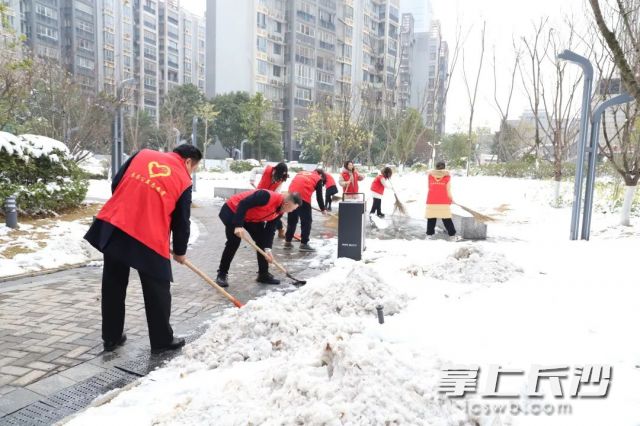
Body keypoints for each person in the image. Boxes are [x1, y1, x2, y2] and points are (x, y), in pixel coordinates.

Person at [84, 145, 202, 354]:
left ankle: (111, 338)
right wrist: (180, 251)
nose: (191, 172)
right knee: (157, 289)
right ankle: (162, 340)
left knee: (113, 283)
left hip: (117, 224)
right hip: (149, 234)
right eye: (194, 168)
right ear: (188, 162)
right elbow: (181, 221)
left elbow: (116, 182)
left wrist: (130, 204)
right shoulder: (184, 179)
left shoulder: (143, 154)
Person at [215, 189, 301, 287]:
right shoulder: (265, 196)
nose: (292, 211)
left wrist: (268, 249)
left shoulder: (280, 211)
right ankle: (222, 274)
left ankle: (263, 275)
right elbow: (243, 204)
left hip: (251, 217)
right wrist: (238, 225)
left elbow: (270, 230)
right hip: (233, 211)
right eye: (292, 209)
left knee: (262, 241)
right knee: (234, 241)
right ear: (286, 204)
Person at [285, 169, 327, 252]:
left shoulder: (301, 172)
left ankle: (287, 242)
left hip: (291, 195)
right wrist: (323, 209)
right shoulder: (318, 178)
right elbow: (319, 196)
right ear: (321, 175)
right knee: (306, 221)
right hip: (303, 197)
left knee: (292, 220)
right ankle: (304, 244)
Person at [250, 162, 289, 238]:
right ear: (276, 169)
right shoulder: (267, 170)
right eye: (279, 173)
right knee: (259, 212)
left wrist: (275, 199)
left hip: (270, 196)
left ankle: (280, 230)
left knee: (272, 214)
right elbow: (254, 170)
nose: (280, 175)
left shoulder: (282, 177)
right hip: (259, 194)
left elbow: (278, 190)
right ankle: (259, 230)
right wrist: (252, 179)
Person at [425, 161, 457, 240]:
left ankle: (429, 235)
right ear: (444, 168)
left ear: (436, 167)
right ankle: (452, 236)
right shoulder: (447, 177)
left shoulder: (430, 176)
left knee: (431, 218)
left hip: (431, 201)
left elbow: (429, 187)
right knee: (446, 219)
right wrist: (451, 199)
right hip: (443, 201)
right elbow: (448, 190)